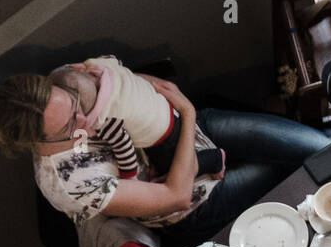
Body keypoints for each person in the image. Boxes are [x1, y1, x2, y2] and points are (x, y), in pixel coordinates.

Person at [0, 67, 331, 247]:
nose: (86, 119)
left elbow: (126, 84)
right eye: (70, 125)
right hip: (196, 199)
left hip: (187, 132)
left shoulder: (65, 80)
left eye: (75, 105)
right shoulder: (70, 184)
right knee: (296, 163)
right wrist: (188, 110)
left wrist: (173, 109)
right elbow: (176, 196)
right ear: (37, 142)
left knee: (323, 148)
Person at [47, 56, 225, 180]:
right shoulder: (103, 66)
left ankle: (215, 159)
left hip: (165, 134)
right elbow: (113, 60)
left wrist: (129, 177)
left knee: (174, 168)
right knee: (140, 131)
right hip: (164, 107)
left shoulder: (106, 121)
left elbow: (125, 150)